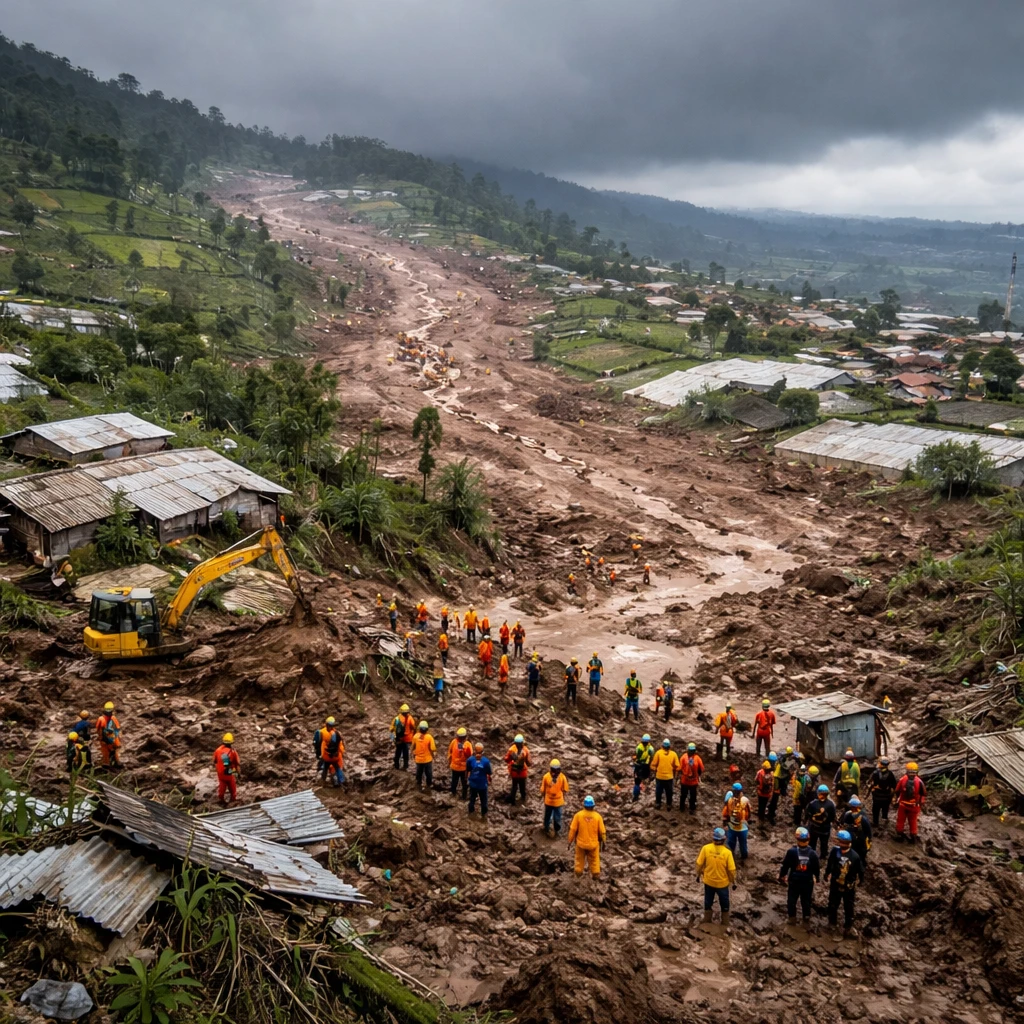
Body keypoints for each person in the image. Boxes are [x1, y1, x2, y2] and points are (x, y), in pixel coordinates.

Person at [825, 830, 864, 938]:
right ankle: (832, 922)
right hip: (835, 883)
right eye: (840, 842)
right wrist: (827, 873)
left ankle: (848, 926)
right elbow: (830, 863)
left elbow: (861, 870)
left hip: (849, 886)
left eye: (842, 842)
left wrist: (861, 880)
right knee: (833, 904)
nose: (841, 844)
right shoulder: (835, 851)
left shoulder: (855, 856)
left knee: (849, 907)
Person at [778, 827, 820, 926]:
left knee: (792, 900)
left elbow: (785, 865)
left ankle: (792, 918)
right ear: (808, 840)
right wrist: (817, 878)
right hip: (807, 881)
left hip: (794, 880)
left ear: (797, 839)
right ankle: (806, 918)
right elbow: (816, 868)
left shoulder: (791, 852)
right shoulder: (813, 854)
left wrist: (782, 875)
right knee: (806, 900)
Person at [696, 827, 737, 928]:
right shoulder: (727, 853)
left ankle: (707, 920)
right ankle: (725, 922)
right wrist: (733, 881)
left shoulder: (706, 848)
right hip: (722, 884)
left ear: (713, 838)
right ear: (724, 839)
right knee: (724, 903)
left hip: (709, 881)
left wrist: (698, 875)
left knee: (708, 901)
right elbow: (731, 870)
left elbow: (699, 864)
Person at [568, 796, 606, 880]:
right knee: (594, 860)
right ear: (593, 805)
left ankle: (578, 874)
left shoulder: (578, 815)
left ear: (584, 805)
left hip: (581, 844)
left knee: (579, 860)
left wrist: (569, 842)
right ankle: (595, 875)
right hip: (593, 844)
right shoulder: (597, 817)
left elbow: (573, 830)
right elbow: (602, 832)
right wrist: (604, 842)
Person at [894, 762, 926, 843]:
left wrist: (896, 799)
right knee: (913, 821)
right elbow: (923, 793)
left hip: (903, 804)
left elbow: (897, 790)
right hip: (914, 805)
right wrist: (921, 803)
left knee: (900, 820)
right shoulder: (919, 782)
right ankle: (913, 837)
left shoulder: (902, 779)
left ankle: (900, 835)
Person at [805, 784, 837, 860]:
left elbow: (808, 814)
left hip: (819, 828)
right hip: (820, 828)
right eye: (820, 794)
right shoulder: (830, 804)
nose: (821, 795)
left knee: (819, 843)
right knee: (819, 843)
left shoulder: (814, 803)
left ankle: (819, 855)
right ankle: (820, 856)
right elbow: (832, 817)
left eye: (823, 794)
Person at [722, 782, 751, 862]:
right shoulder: (745, 800)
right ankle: (744, 858)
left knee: (731, 843)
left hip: (732, 827)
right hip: (743, 827)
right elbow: (749, 812)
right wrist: (747, 821)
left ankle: (731, 857)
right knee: (743, 844)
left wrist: (725, 824)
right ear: (741, 791)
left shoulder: (729, 800)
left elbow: (725, 813)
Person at [540, 759, 570, 837]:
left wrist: (544, 797)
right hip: (557, 801)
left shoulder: (546, 776)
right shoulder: (562, 777)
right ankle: (556, 830)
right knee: (557, 816)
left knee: (548, 816)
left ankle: (547, 828)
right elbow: (565, 789)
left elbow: (542, 790)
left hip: (550, 801)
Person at [841, 796, 872, 865]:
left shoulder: (863, 817)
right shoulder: (848, 815)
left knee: (861, 854)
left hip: (861, 839)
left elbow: (868, 830)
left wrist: (868, 841)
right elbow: (845, 825)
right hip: (852, 838)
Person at [651, 738, 680, 810]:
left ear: (662, 745)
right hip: (669, 777)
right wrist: (675, 776)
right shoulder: (673, 754)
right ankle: (669, 805)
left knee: (659, 791)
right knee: (669, 792)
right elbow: (678, 767)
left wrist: (656, 770)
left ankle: (658, 804)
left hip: (659, 777)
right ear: (669, 746)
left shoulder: (658, 753)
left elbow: (653, 765)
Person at [868, 757, 898, 827]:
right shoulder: (890, 774)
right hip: (886, 796)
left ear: (881, 764)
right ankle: (884, 820)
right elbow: (894, 785)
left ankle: (875, 822)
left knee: (875, 810)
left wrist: (872, 789)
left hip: (877, 796)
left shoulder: (875, 773)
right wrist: (893, 795)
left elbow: (870, 783)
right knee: (885, 809)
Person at [213, 733, 240, 805]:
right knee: (233, 791)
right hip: (229, 773)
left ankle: (221, 801)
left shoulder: (218, 750)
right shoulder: (233, 752)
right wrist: (238, 774)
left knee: (221, 791)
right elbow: (237, 764)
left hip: (221, 774)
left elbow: (215, 761)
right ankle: (232, 802)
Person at [466, 743, 492, 818]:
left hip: (473, 784)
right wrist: (489, 780)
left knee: (472, 799)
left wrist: (466, 779)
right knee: (484, 801)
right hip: (482, 785)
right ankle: (484, 816)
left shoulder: (470, 760)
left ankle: (470, 814)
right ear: (483, 751)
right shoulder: (486, 761)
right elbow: (489, 773)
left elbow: (468, 770)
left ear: (474, 751)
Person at [679, 742, 704, 812]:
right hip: (687, 780)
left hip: (691, 781)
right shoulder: (685, 757)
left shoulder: (695, 758)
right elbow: (680, 768)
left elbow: (701, 768)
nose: (691, 752)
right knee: (685, 795)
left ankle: (690, 808)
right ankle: (683, 807)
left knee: (691, 796)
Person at [506, 734, 531, 804]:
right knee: (522, 786)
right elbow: (528, 762)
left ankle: (512, 801)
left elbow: (506, 759)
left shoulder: (511, 750)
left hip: (514, 771)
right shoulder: (525, 750)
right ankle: (523, 799)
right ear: (522, 742)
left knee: (514, 786)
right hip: (523, 772)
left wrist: (512, 758)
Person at [96, 702, 122, 768]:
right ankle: (116, 762)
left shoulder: (101, 719)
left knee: (106, 751)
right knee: (113, 750)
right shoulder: (113, 718)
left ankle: (107, 763)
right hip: (112, 737)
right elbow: (117, 728)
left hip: (105, 738)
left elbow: (98, 729)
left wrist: (100, 737)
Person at [448, 727, 473, 798]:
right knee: (463, 782)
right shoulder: (467, 744)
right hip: (462, 768)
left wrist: (449, 762)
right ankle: (462, 796)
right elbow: (470, 756)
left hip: (457, 767)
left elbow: (449, 752)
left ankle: (454, 794)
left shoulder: (454, 742)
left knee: (456, 781)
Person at [390, 704, 416, 770]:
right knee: (405, 752)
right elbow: (413, 727)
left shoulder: (397, 718)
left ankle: (396, 765)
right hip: (407, 739)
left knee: (398, 751)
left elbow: (391, 729)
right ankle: (405, 766)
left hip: (399, 738)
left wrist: (392, 738)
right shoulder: (410, 718)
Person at [412, 721, 437, 790]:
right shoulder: (429, 737)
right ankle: (429, 784)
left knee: (419, 772)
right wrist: (434, 756)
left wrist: (413, 754)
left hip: (419, 759)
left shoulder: (415, 736)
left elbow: (413, 747)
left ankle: (418, 783)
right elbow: (433, 748)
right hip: (427, 759)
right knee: (428, 773)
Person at [633, 734, 655, 802]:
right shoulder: (651, 748)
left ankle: (636, 796)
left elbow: (636, 756)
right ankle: (646, 794)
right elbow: (652, 757)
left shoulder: (639, 747)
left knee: (637, 782)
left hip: (638, 765)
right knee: (646, 779)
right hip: (646, 766)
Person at [769, 752, 785, 825]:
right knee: (773, 803)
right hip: (774, 789)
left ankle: (771, 813)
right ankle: (771, 815)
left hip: (775, 789)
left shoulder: (775, 767)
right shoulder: (776, 767)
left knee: (773, 802)